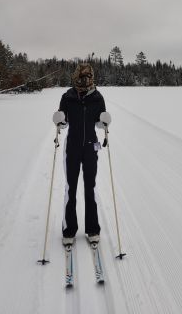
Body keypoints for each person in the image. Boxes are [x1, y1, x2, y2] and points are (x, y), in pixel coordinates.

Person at [52, 63, 111, 246]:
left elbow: (100, 123)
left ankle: (93, 229)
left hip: (91, 147)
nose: (83, 80)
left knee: (90, 188)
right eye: (80, 76)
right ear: (75, 76)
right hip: (73, 148)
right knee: (71, 188)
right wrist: (60, 122)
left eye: (87, 76)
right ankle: (69, 229)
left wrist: (104, 122)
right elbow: (64, 123)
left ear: (91, 77)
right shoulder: (68, 96)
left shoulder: (97, 97)